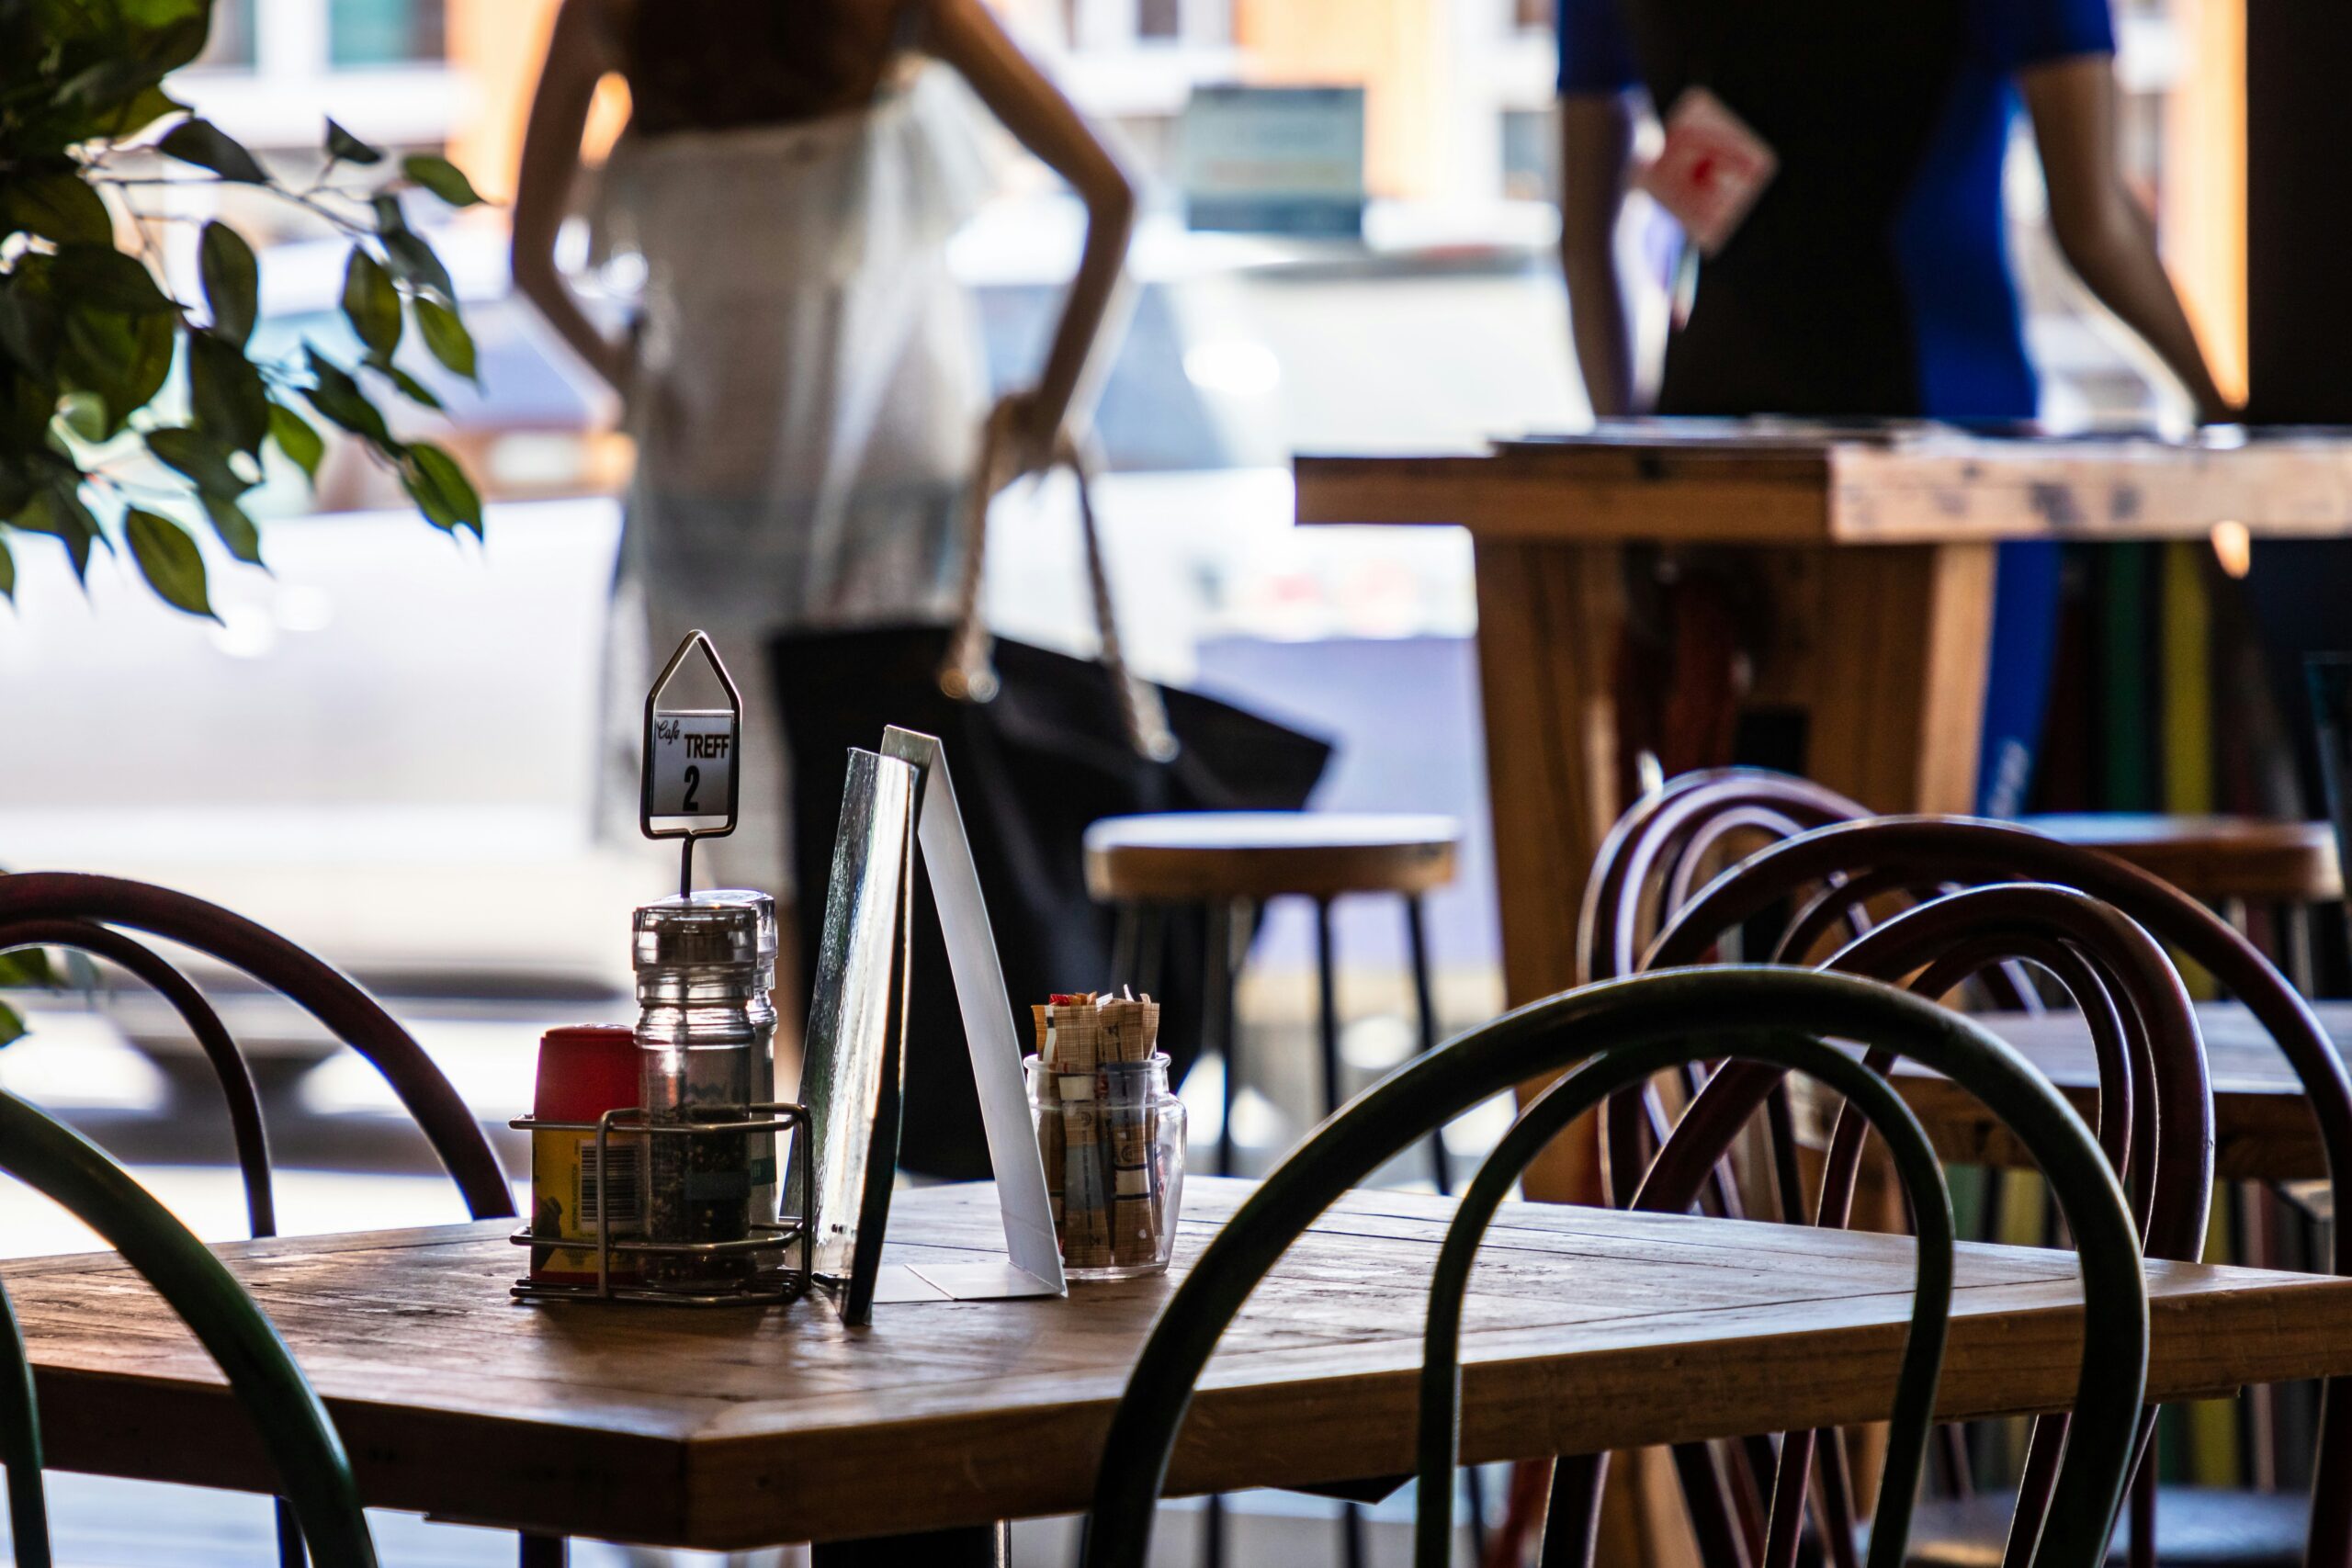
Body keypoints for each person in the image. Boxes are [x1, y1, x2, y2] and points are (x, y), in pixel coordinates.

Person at [511, 0, 1135, 903]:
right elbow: (1113, 194)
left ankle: (758, 1044)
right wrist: (1040, 422)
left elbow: (532, 265)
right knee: (887, 852)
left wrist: (636, 388)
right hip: (895, 497)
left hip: (708, 501)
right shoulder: (902, 11)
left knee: (721, 853)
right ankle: (867, 1046)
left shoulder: (612, 14)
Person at [1555, 0, 2233, 817]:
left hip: (1721, 448)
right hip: (1948, 443)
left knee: (1746, 873)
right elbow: (2094, 225)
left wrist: (1637, 458)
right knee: (1941, 873)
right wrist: (2227, 415)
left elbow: (1586, 242)